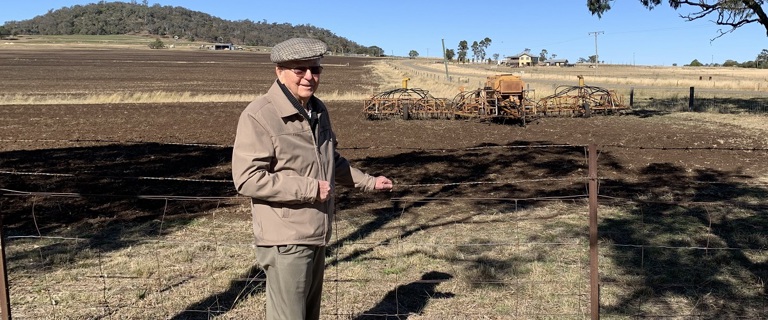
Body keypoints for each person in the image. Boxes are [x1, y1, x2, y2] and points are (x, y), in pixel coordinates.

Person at [231, 37, 394, 320]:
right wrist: (308, 189)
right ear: (279, 71)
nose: (309, 77)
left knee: (308, 315)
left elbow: (332, 161)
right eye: (300, 69)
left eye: (315, 69)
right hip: (285, 239)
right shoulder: (259, 115)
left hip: (317, 232)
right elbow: (247, 178)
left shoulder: (318, 110)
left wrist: (369, 181)